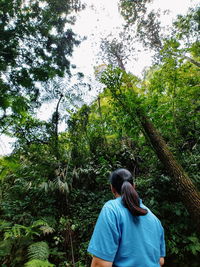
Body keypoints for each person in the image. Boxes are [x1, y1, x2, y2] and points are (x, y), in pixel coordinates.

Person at [87, 168, 166, 267]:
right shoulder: (154, 219)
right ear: (134, 186)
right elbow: (160, 260)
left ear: (112, 188)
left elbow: (100, 264)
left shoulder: (111, 210)